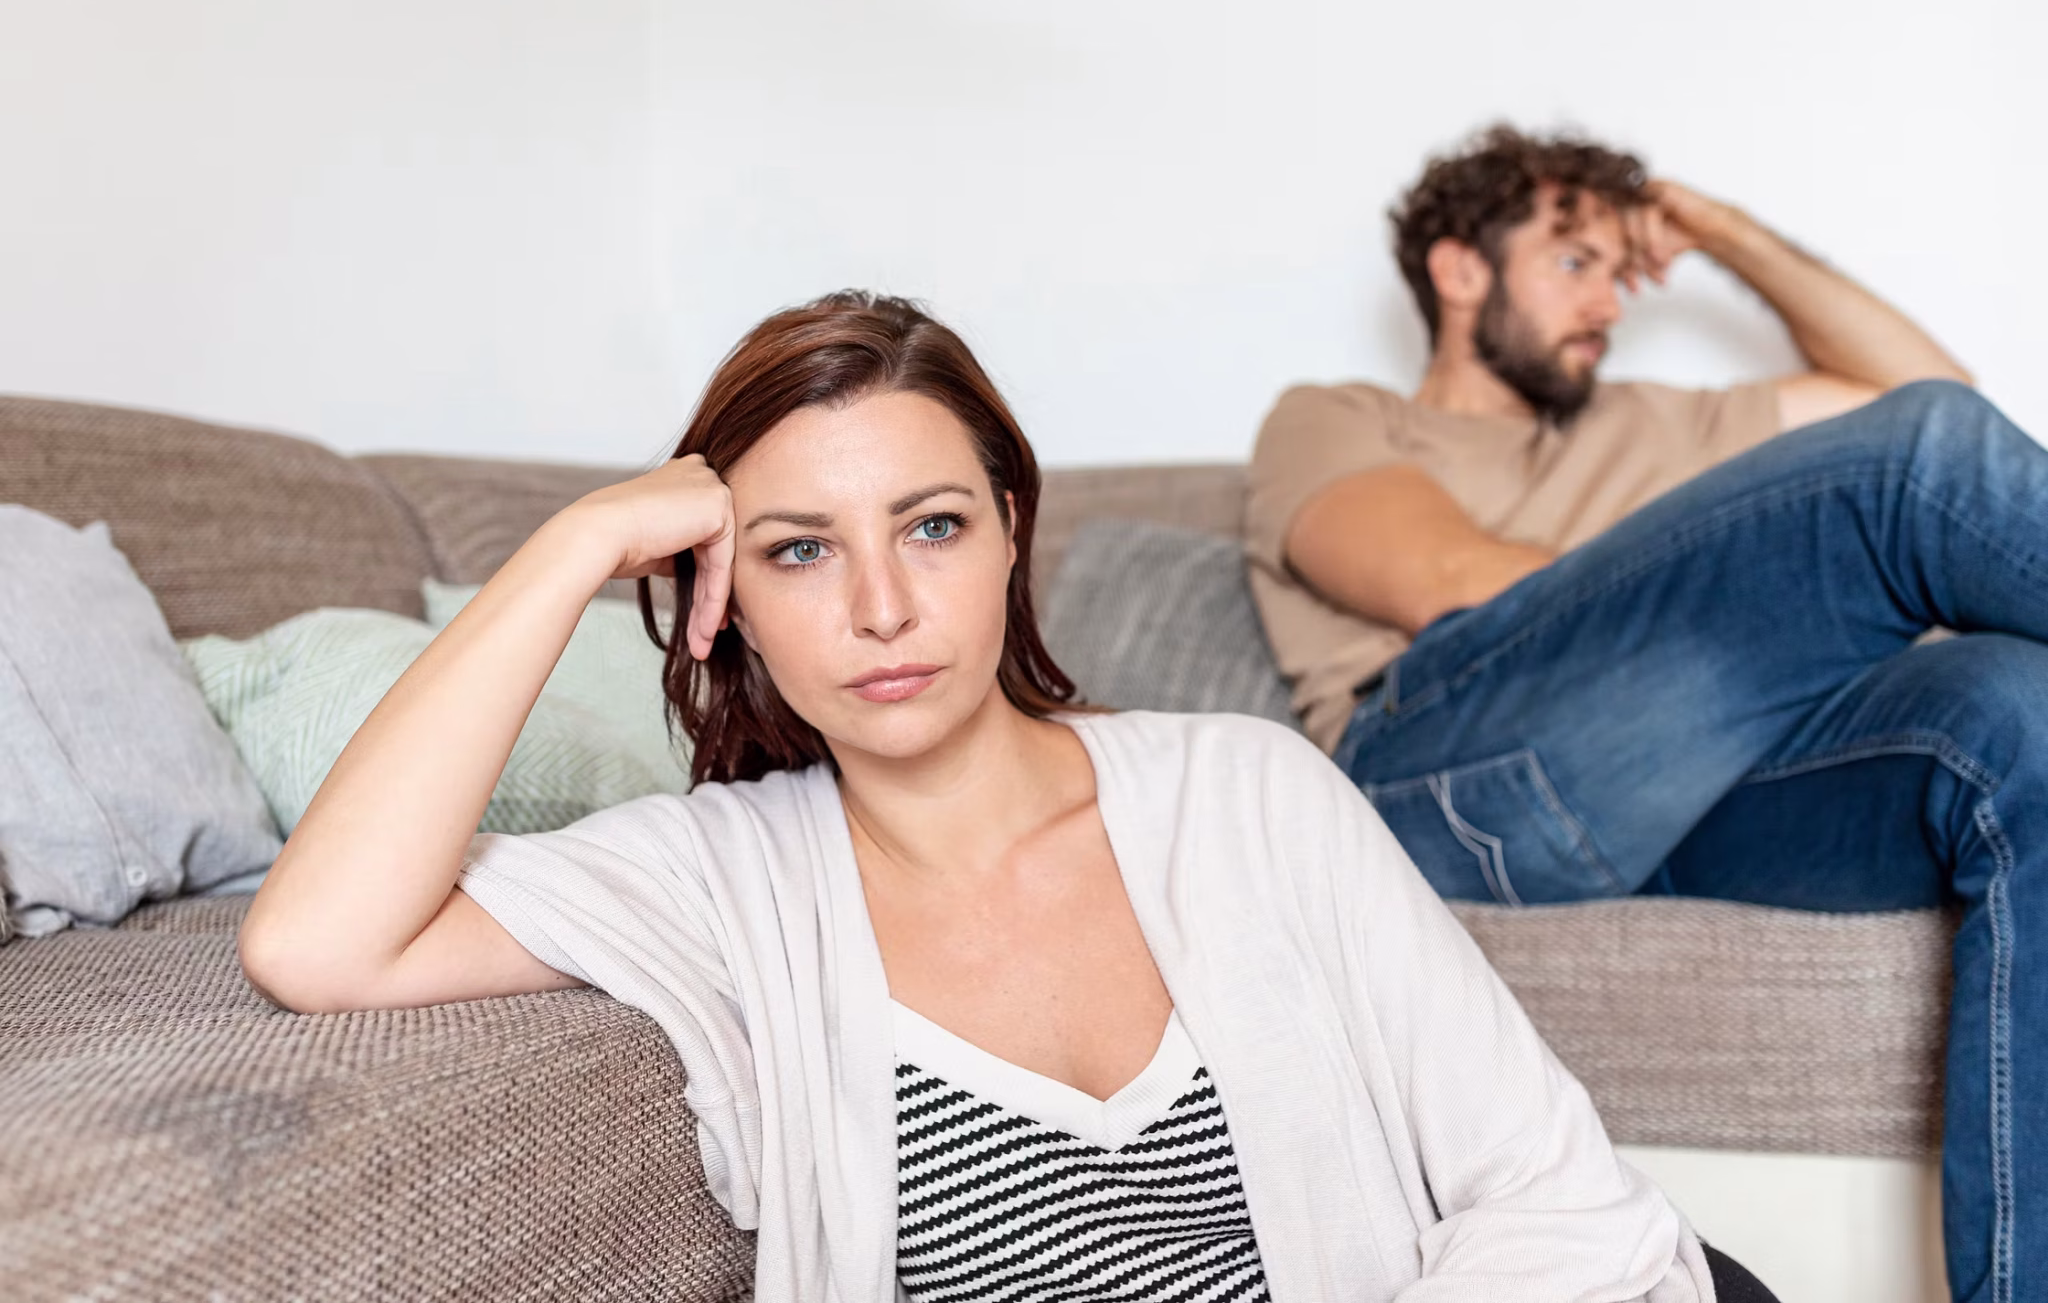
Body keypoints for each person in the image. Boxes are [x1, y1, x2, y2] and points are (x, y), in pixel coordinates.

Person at [239, 291, 1765, 1302]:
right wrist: (569, 546)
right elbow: (321, 942)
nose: (885, 607)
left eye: (933, 525)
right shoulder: (719, 883)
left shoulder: (1248, 793)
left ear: (1011, 534)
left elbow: (1560, 1199)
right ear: (725, 594)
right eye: (799, 549)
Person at [1246, 123, 2036, 1303]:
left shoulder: (1664, 423)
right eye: (1574, 261)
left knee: (2020, 711)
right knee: (1905, 464)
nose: (1608, 300)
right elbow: (1450, 582)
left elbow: (1929, 387)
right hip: (1438, 782)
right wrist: (1737, 574)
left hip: (1684, 797)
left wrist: (1722, 231)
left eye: (1622, 271)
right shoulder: (1334, 417)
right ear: (1460, 271)